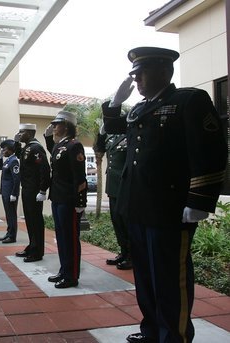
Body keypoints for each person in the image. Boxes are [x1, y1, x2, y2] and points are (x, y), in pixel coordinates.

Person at [102, 47, 227, 343]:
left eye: (142, 72)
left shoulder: (188, 101)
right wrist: (113, 105)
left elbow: (210, 152)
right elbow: (113, 130)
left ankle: (175, 336)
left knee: (171, 280)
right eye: (135, 73)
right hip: (138, 208)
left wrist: (199, 200)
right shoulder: (139, 109)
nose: (137, 78)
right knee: (145, 279)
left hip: (170, 209)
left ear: (164, 71)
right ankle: (152, 331)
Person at [44, 111, 87, 288]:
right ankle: (64, 270)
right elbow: (53, 151)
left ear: (67, 126)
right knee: (61, 237)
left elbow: (80, 177)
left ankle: (72, 276)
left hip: (69, 200)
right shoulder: (59, 145)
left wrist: (80, 202)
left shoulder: (74, 145)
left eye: (57, 124)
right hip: (58, 198)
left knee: (70, 238)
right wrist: (47, 136)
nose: (54, 126)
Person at [93, 129, 132, 270]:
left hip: (124, 186)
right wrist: (102, 132)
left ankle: (131, 256)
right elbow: (99, 148)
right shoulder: (112, 136)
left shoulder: (130, 134)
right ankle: (123, 252)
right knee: (117, 222)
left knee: (126, 222)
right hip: (113, 186)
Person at [14, 124, 51, 263]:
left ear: (29, 133)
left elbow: (44, 169)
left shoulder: (36, 147)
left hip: (35, 190)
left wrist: (42, 190)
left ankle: (37, 251)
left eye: (21, 132)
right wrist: (17, 143)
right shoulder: (28, 147)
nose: (19, 133)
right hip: (27, 189)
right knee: (29, 220)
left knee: (35, 221)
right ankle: (32, 245)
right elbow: (21, 156)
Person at [0, 139, 21, 243]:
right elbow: (1, 168)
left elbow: (16, 178)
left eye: (4, 149)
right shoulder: (8, 160)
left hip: (11, 193)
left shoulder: (14, 160)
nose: (3, 151)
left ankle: (12, 236)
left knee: (12, 215)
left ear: (11, 150)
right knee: (8, 214)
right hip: (5, 192)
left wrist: (14, 194)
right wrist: (0, 157)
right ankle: (9, 233)